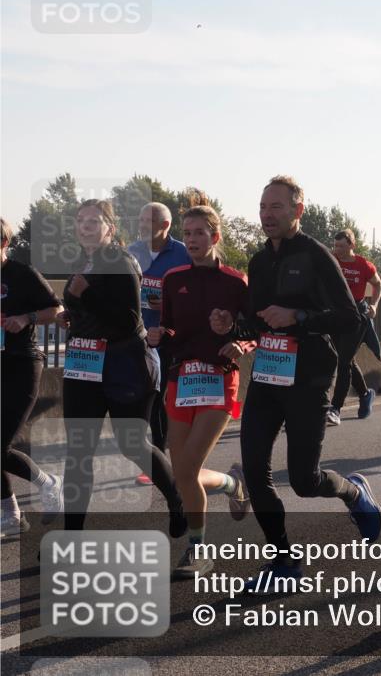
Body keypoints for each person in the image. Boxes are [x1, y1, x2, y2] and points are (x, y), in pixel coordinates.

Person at [209, 176, 381, 592]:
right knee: (254, 468)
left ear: (297, 210)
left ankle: (353, 492)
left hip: (309, 377)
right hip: (268, 374)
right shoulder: (258, 261)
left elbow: (349, 316)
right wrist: (232, 326)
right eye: (263, 207)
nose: (268, 215)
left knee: (304, 481)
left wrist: (299, 318)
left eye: (277, 207)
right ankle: (284, 561)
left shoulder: (317, 256)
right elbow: (256, 318)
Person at [57, 200, 186, 534]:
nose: (85, 226)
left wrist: (86, 297)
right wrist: (69, 315)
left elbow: (129, 320)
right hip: (84, 364)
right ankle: (71, 538)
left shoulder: (121, 261)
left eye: (94, 221)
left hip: (125, 363)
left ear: (110, 229)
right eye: (80, 220)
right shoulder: (79, 260)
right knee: (78, 452)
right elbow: (86, 307)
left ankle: (177, 500)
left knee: (132, 445)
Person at [147, 202, 252, 578]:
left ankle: (199, 550)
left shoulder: (235, 281)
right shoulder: (174, 279)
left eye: (199, 233)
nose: (192, 240)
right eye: (187, 233)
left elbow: (253, 332)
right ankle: (231, 482)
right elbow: (171, 328)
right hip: (180, 379)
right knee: (183, 474)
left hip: (219, 379)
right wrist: (160, 335)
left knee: (188, 468)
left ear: (215, 237)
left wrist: (240, 343)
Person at [1, 218, 64, 537]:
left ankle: (49, 483)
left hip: (22, 363)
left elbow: (56, 310)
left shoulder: (22, 275)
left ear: (3, 243)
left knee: (2, 443)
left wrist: (24, 318)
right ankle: (11, 515)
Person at [128, 202, 192, 486]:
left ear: (165, 225)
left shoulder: (183, 253)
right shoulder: (132, 252)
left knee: (161, 397)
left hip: (170, 336)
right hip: (138, 336)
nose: (141, 225)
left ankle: (161, 458)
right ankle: (158, 456)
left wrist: (169, 303)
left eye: (148, 220)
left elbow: (196, 292)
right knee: (147, 397)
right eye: (140, 219)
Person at [327, 228, 381, 426]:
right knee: (346, 358)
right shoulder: (332, 260)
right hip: (335, 314)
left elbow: (378, 284)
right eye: (336, 246)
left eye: (342, 246)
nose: (338, 249)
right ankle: (366, 394)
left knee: (343, 362)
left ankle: (335, 408)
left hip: (357, 315)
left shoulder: (363, 265)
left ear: (352, 245)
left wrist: (374, 305)